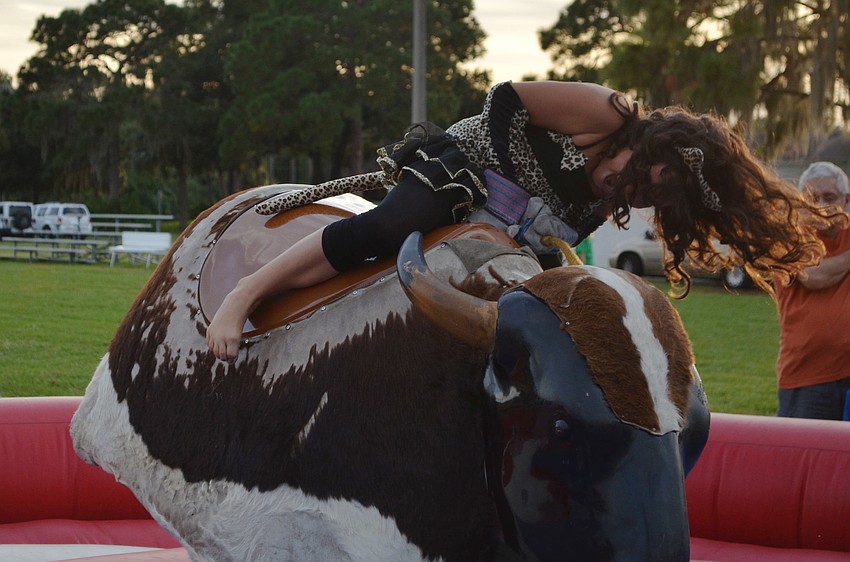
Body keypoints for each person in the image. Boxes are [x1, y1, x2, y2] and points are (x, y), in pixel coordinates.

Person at [206, 80, 842, 362]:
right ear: (657, 151)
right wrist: (504, 187)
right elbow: (506, 100)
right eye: (653, 184)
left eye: (662, 202)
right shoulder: (607, 112)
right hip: (469, 169)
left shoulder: (624, 197)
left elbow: (558, 238)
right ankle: (246, 294)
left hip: (514, 235)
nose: (648, 200)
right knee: (386, 229)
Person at [775, 161, 850, 420]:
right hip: (807, 378)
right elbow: (813, 276)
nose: (820, 207)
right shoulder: (788, 239)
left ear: (846, 200)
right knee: (799, 456)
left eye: (829, 197)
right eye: (811, 198)